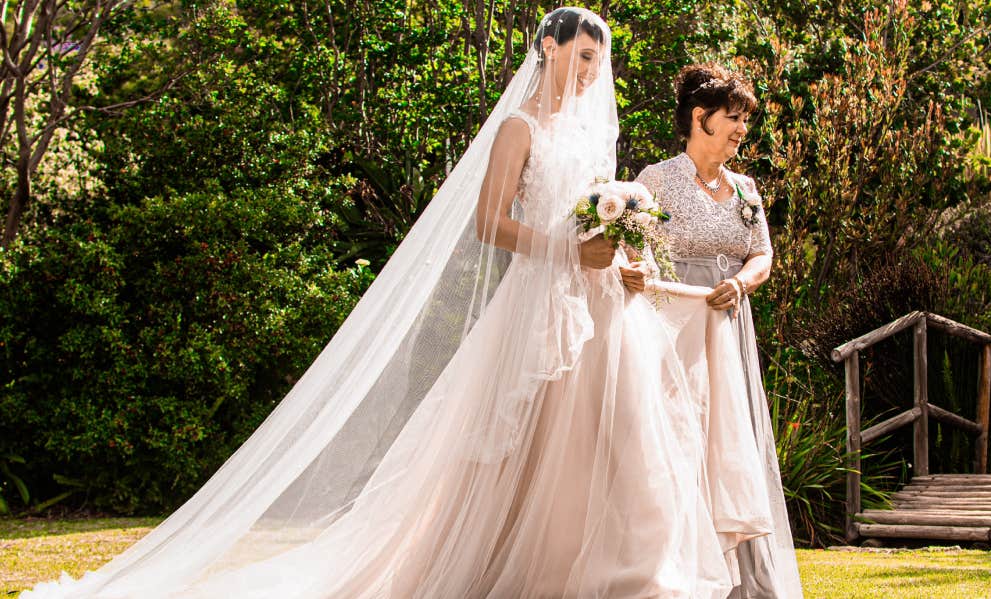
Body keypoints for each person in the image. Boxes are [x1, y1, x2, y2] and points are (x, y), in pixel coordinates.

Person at [23, 9, 779, 599]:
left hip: (600, 308)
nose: (592, 73)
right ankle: (517, 556)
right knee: (521, 444)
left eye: (597, 61)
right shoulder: (518, 128)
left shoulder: (595, 139)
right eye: (583, 58)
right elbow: (489, 223)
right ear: (549, 51)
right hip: (536, 302)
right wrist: (562, 249)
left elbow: (604, 223)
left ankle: (623, 564)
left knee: (611, 441)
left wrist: (621, 253)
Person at [634, 62, 805, 598]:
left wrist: (744, 284)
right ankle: (679, 574)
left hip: (729, 330)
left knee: (731, 443)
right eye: (733, 118)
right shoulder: (654, 181)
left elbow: (762, 254)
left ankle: (745, 583)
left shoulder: (746, 188)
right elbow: (632, 255)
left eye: (743, 121)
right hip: (673, 332)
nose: (741, 130)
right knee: (679, 440)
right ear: (700, 118)